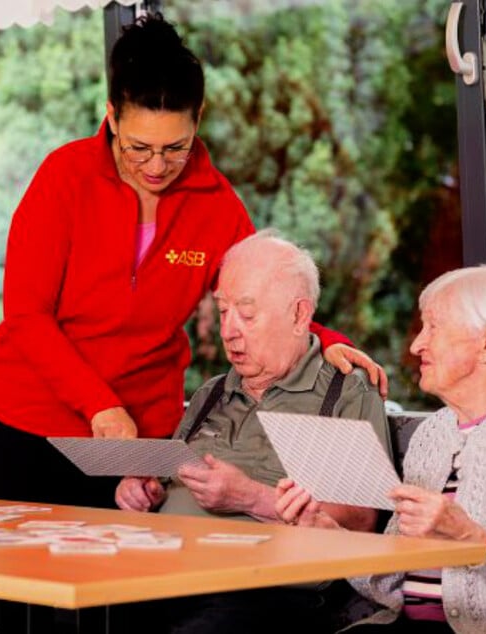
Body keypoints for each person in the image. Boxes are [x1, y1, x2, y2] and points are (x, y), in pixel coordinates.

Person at [0, 14, 386, 633]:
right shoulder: (64, 177)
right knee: (0, 606)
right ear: (111, 114)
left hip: (134, 436)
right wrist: (99, 407)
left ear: (199, 120)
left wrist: (332, 341)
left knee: (97, 605)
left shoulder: (216, 203)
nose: (157, 164)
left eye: (174, 147)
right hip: (24, 421)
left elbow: (264, 286)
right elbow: (26, 317)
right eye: (138, 147)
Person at [285, 265, 486, 634]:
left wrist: (471, 539)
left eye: (434, 327)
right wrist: (327, 533)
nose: (416, 345)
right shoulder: (433, 433)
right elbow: (387, 586)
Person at [114, 231, 391, 634]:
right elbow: (166, 485)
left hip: (268, 588)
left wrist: (250, 497)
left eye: (246, 314)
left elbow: (361, 522)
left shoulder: (344, 390)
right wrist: (146, 492)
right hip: (168, 572)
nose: (228, 331)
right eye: (223, 312)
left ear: (299, 315)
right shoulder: (212, 392)